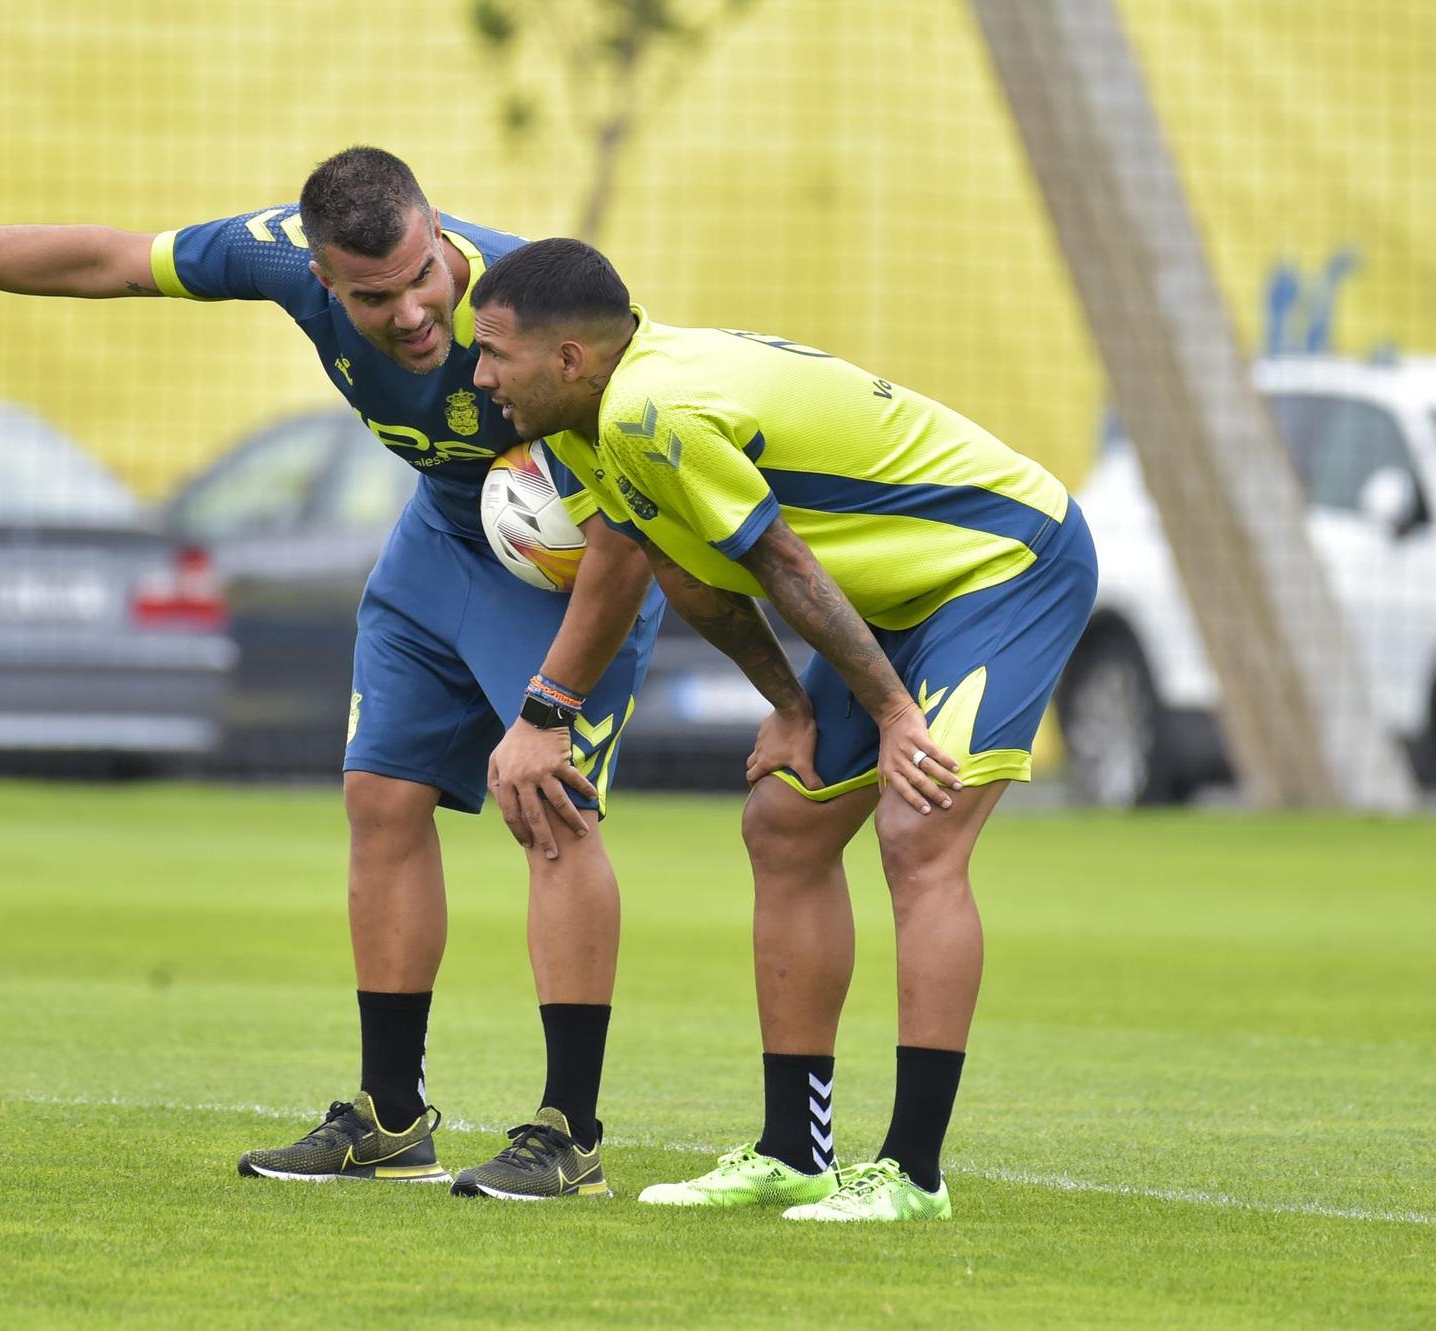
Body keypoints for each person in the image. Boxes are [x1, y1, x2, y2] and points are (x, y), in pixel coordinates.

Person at [0, 149, 665, 1201]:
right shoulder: (271, 255)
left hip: (579, 566)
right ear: (320, 276)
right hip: (439, 544)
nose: (412, 311)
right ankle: (390, 1119)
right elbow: (105, 260)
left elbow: (632, 540)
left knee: (553, 810)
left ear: (434, 231)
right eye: (373, 295)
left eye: (421, 277)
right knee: (379, 794)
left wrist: (548, 709)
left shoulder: (522, 309)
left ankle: (566, 1133)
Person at [468, 238, 1098, 1222]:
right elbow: (683, 570)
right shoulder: (589, 426)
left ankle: (912, 1172)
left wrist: (891, 715)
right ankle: (793, 1148)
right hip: (889, 600)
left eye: (492, 350)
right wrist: (791, 708)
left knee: (916, 828)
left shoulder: (650, 408)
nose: (477, 373)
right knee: (782, 823)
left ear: (566, 359)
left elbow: (784, 562)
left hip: (1000, 561)